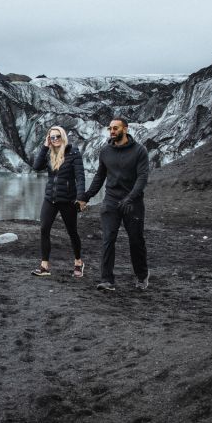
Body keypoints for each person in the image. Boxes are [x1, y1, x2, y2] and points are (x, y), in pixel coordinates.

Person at [79, 117, 150, 292]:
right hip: (110, 200)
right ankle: (107, 280)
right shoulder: (105, 152)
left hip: (133, 202)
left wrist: (131, 197)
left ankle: (142, 276)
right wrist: (86, 196)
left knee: (136, 240)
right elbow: (99, 177)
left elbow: (142, 177)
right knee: (108, 239)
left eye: (116, 128)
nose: (112, 131)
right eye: (110, 128)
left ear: (125, 129)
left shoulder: (139, 151)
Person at [30, 125, 87, 278]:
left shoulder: (73, 153)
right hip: (50, 198)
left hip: (67, 199)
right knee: (44, 229)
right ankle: (44, 266)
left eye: (57, 136)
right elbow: (36, 167)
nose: (55, 139)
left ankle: (78, 262)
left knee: (72, 232)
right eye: (52, 137)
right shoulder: (49, 154)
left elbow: (80, 177)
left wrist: (81, 198)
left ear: (63, 137)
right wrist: (44, 147)